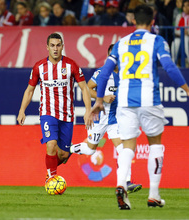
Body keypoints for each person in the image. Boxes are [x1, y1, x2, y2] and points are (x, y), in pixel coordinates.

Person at [89, 4, 189, 210]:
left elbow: (106, 71)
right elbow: (169, 66)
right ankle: (153, 194)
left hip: (124, 101)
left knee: (127, 145)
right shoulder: (157, 41)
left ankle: (120, 185)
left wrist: (98, 100)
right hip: (149, 99)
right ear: (153, 21)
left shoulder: (120, 43)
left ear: (133, 21)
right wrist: (187, 89)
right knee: (155, 144)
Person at [17, 33, 92, 181]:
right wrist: (22, 110)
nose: (55, 49)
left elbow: (84, 88)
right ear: (47, 48)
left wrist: (88, 110)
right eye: (52, 45)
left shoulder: (71, 65)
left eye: (58, 45)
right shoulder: (39, 67)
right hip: (47, 112)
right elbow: (30, 90)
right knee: (51, 144)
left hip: (67, 115)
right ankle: (51, 180)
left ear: (62, 47)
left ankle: (50, 171)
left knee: (63, 155)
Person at [69, 44, 142, 194]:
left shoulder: (126, 73)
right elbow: (89, 88)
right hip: (100, 118)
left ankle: (125, 182)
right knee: (89, 150)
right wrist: (102, 98)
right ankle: (68, 148)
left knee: (123, 149)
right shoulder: (102, 73)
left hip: (115, 119)